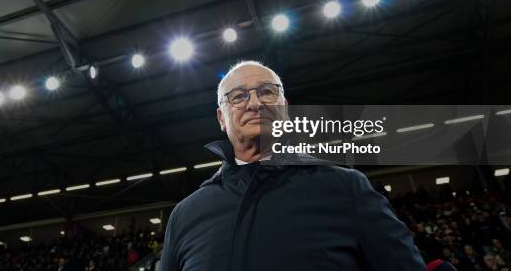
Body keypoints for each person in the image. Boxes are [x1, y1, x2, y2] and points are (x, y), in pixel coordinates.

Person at [160, 60, 425, 270]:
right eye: (238, 96)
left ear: (284, 109)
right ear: (221, 117)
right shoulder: (185, 214)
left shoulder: (345, 187)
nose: (254, 104)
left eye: (266, 92)